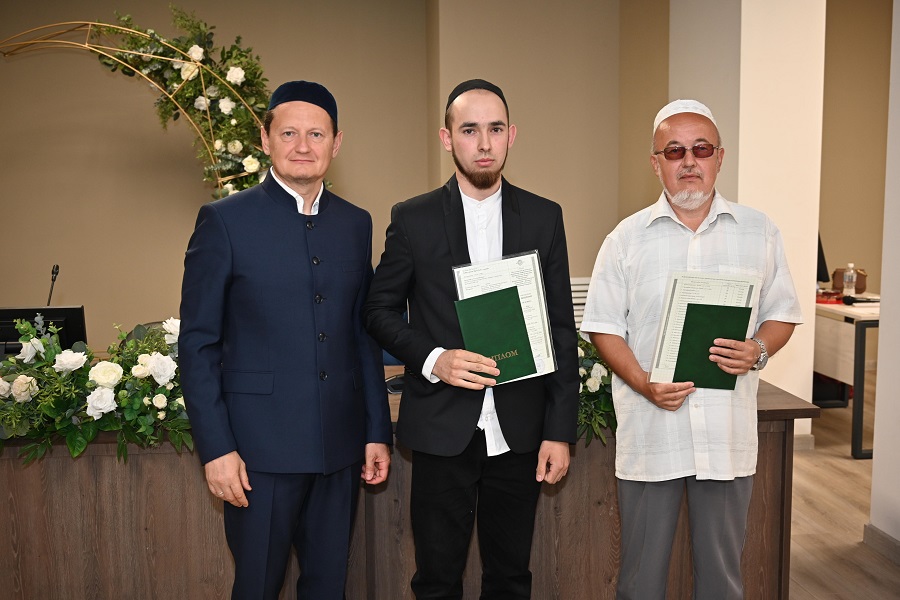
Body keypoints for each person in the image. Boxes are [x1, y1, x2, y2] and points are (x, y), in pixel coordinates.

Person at [363, 79, 579, 599]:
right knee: (437, 580)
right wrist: (433, 358)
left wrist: (559, 431)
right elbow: (377, 309)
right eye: (469, 130)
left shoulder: (544, 216)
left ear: (511, 136)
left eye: (495, 129)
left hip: (520, 430)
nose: (484, 143)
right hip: (442, 428)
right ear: (447, 138)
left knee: (511, 579)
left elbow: (560, 327)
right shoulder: (412, 218)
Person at [580, 99, 803, 600]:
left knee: (722, 581)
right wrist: (643, 384)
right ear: (655, 162)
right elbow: (603, 327)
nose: (688, 161)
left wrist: (758, 349)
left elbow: (783, 312)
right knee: (639, 581)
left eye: (701, 149)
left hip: (725, 433)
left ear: (719, 157)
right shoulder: (626, 239)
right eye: (674, 150)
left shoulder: (759, 231)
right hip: (652, 431)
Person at [179, 80, 392, 600]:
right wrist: (217, 449)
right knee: (256, 587)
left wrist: (375, 430)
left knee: (329, 588)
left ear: (336, 143)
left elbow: (361, 335)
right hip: (257, 456)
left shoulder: (356, 223)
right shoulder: (224, 221)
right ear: (265, 139)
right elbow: (198, 345)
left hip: (339, 449)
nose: (302, 146)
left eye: (316, 134)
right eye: (289, 133)